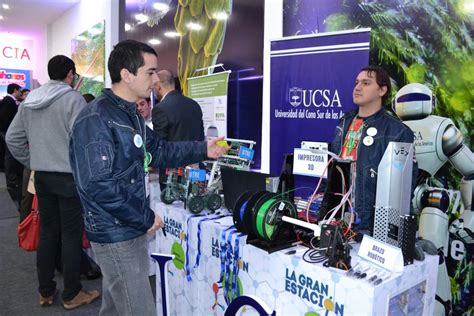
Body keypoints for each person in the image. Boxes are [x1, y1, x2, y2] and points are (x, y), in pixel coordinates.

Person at [69, 39, 227, 316]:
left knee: (117, 305)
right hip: (115, 230)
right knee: (137, 307)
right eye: (150, 72)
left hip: (126, 225)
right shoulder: (96, 119)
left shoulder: (129, 115)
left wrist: (204, 148)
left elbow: (159, 150)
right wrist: (143, 217)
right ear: (126, 75)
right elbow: (97, 185)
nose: (155, 79)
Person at [6, 55, 100, 309]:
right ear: (70, 74)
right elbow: (84, 142)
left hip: (42, 178)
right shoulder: (73, 99)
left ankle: (46, 291)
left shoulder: (30, 100)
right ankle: (71, 293)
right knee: (70, 236)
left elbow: (13, 138)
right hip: (68, 178)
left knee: (48, 233)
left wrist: (33, 160)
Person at [321, 65, 416, 232]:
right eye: (357, 82)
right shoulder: (344, 123)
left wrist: (388, 230)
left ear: (382, 90)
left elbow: (402, 190)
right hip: (336, 219)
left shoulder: (398, 132)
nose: (357, 87)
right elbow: (331, 172)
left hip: (372, 227)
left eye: (366, 83)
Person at [152, 69, 205, 189]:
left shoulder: (160, 109)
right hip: (196, 171)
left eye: (154, 86)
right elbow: (201, 138)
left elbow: (159, 146)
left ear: (159, 86)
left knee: (170, 207)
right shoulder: (194, 104)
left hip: (172, 175)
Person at [0, 83, 23, 201]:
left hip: (7, 132)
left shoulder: (7, 100)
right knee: (9, 155)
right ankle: (11, 179)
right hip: (8, 132)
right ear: (15, 90)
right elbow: (6, 118)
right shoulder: (9, 101)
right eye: (20, 91)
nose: (21, 93)